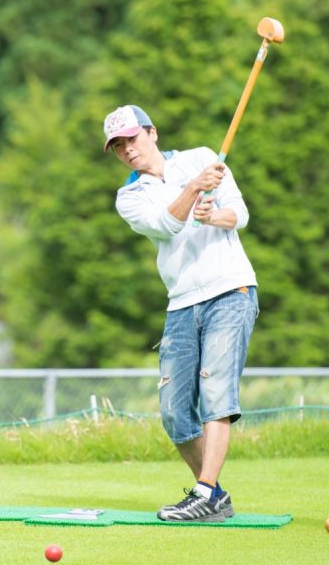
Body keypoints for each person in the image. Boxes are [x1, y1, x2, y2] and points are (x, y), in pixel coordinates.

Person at [104, 104, 259, 522]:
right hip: (181, 301)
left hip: (231, 288)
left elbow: (239, 214)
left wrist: (215, 215)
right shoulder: (129, 196)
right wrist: (193, 192)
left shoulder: (203, 156)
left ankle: (205, 492)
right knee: (174, 411)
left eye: (132, 139)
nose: (127, 151)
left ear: (152, 132)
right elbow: (166, 224)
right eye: (118, 147)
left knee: (215, 391)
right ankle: (213, 496)